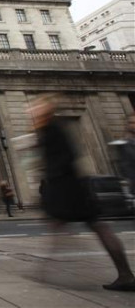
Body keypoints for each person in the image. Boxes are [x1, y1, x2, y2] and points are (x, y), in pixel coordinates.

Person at [30, 94, 135, 291]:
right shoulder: (50, 129)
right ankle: (125, 274)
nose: (32, 112)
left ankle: (125, 274)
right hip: (71, 187)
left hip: (66, 189)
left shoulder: (52, 128)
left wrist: (50, 180)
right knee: (88, 227)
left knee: (84, 227)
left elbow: (64, 159)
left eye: (35, 108)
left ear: (45, 110)